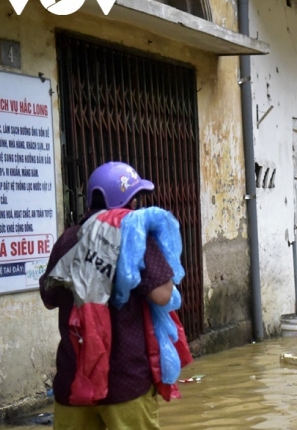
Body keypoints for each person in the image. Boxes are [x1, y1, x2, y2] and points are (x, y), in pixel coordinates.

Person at [40, 162, 175, 429]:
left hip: (73, 382)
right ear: (127, 201)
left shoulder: (68, 240)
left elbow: (49, 298)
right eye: (134, 199)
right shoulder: (134, 236)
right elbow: (163, 294)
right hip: (125, 382)